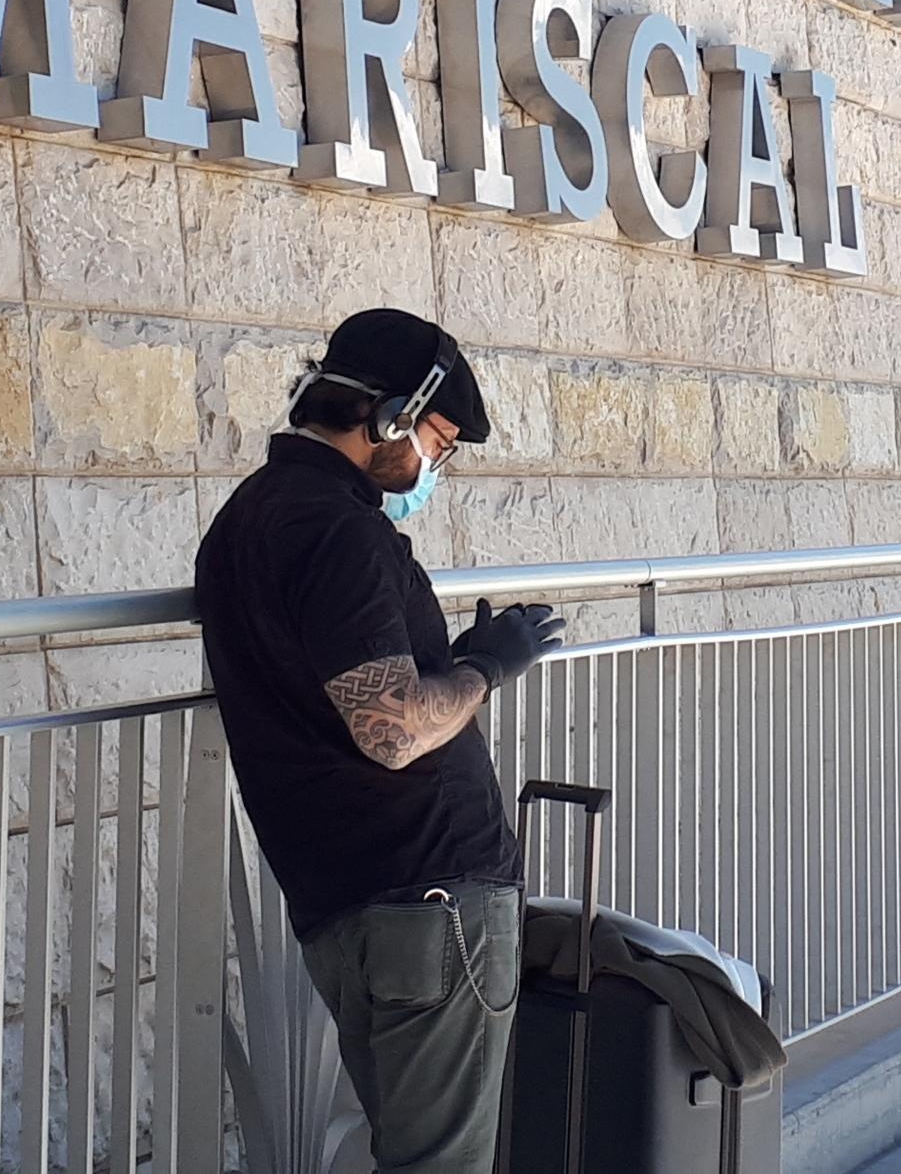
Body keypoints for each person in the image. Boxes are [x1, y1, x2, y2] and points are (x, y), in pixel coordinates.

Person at [194, 308, 568, 1173]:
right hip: (431, 904)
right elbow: (391, 730)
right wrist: (486, 668)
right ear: (390, 416)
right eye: (440, 439)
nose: (436, 464)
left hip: (352, 900)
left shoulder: (246, 519)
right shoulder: (340, 532)